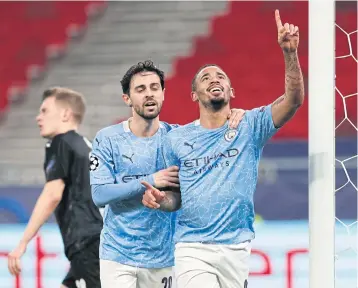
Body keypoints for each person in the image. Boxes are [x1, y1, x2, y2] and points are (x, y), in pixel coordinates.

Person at [141, 10, 304, 288]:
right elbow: (175, 198)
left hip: (236, 247)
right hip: (192, 246)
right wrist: (159, 200)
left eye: (220, 77)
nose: (214, 79)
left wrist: (289, 53)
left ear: (231, 90)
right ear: (194, 94)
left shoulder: (250, 125)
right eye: (205, 78)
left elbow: (293, 100)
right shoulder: (177, 139)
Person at [89, 60, 245, 288]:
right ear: (127, 99)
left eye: (154, 88)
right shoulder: (108, 138)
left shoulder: (179, 139)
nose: (149, 94)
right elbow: (100, 195)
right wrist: (151, 181)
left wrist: (233, 114)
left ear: (163, 93)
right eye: (140, 90)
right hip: (118, 255)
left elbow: (213, 137)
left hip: (163, 257)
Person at [8, 87, 103, 288]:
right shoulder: (85, 145)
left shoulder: (60, 142)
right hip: (96, 240)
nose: (38, 118)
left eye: (44, 111)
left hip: (85, 243)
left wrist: (23, 243)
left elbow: (52, 194)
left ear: (65, 114)